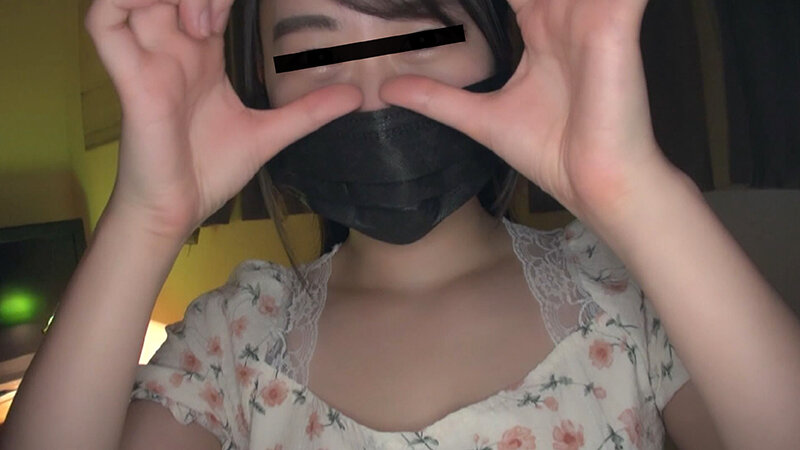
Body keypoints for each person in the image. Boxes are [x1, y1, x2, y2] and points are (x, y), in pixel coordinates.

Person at [2, 0, 800, 448]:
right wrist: (147, 217)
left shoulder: (627, 295)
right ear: (260, 93)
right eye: (315, 56)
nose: (377, 90)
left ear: (503, 43)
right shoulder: (233, 344)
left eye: (423, 35)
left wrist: (632, 190)